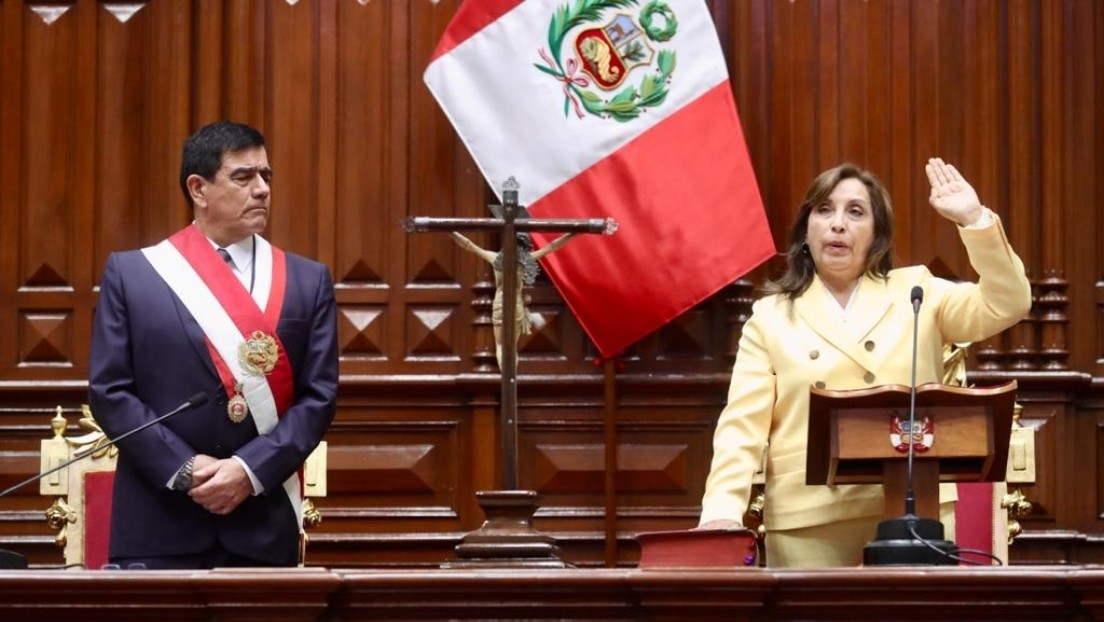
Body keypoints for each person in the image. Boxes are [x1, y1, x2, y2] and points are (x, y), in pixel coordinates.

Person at [697, 158, 1032, 567]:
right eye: (824, 210)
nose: (838, 224)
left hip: (914, 511)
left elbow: (1008, 302)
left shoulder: (918, 291)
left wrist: (974, 220)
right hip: (807, 519)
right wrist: (721, 512)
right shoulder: (771, 316)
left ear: (876, 236)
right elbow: (740, 429)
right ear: (806, 231)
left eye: (856, 212)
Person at [88, 121, 338, 569]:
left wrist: (248, 471)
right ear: (198, 189)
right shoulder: (134, 276)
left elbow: (318, 398)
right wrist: (185, 469)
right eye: (244, 177)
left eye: (266, 176)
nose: (261, 189)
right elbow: (110, 393)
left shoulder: (306, 280)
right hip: (159, 523)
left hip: (261, 525)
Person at [450, 230, 577, 370]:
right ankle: (511, 377)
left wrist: (451, 232)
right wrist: (572, 234)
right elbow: (552, 246)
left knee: (500, 345)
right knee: (511, 347)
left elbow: (469, 245)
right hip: (516, 304)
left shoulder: (496, 258)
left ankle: (506, 377)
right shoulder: (526, 259)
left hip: (500, 302)